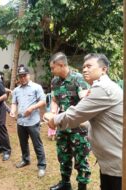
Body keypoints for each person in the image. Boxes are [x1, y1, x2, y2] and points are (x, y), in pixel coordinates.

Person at [45, 53, 126, 190]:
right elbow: (99, 120)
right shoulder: (99, 87)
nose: (84, 70)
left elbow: (76, 114)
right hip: (113, 162)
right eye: (83, 67)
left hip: (123, 163)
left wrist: (54, 120)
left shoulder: (102, 89)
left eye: (89, 66)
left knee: (81, 161)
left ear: (103, 69)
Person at [48, 52, 91, 190]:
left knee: (81, 160)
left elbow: (85, 103)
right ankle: (65, 184)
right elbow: (55, 100)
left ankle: (82, 187)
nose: (51, 71)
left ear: (61, 65)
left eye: (52, 68)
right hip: (63, 127)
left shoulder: (78, 79)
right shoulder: (55, 81)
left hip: (79, 129)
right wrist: (53, 114)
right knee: (63, 157)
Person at [10, 66, 47, 178]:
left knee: (37, 144)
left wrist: (32, 108)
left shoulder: (36, 87)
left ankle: (41, 166)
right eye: (20, 76)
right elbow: (14, 103)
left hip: (33, 121)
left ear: (28, 75)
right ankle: (25, 160)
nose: (22, 78)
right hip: (21, 121)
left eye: (24, 75)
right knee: (23, 143)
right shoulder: (16, 90)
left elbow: (43, 101)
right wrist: (12, 111)